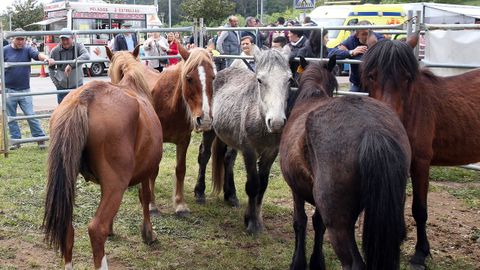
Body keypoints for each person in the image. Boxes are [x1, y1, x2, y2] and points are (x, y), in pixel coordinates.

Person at [3, 28, 55, 150]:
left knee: (31, 115)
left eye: (23, 39)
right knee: (11, 118)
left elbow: (37, 55)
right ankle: (16, 141)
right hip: (9, 90)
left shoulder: (27, 49)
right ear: (13, 38)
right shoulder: (4, 50)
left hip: (25, 89)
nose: (21, 41)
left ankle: (39, 139)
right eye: (18, 39)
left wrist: (46, 58)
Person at [330, 20, 384, 92]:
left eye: (369, 33)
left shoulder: (379, 39)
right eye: (364, 34)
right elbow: (331, 54)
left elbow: (387, 53)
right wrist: (351, 52)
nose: (367, 37)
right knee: (350, 100)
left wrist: (372, 49)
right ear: (357, 35)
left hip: (376, 84)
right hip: (358, 84)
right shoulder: (351, 40)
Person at [48, 28, 90, 104]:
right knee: (62, 110)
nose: (65, 42)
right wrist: (57, 84)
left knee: (78, 108)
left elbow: (87, 56)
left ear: (72, 38)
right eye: (63, 39)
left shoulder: (78, 46)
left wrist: (71, 65)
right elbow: (51, 68)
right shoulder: (55, 51)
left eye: (67, 39)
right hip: (62, 87)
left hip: (77, 85)